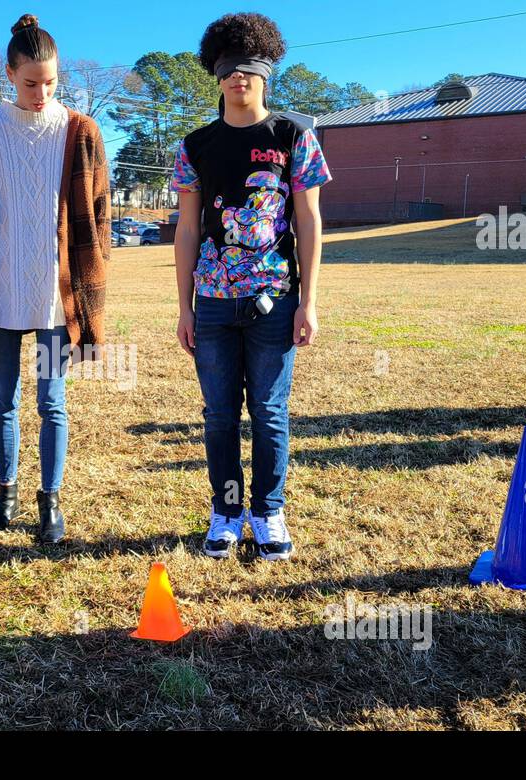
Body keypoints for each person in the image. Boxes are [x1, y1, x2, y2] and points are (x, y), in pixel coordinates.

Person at [169, 12, 332, 560]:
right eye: (229, 70)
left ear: (266, 74)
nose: (239, 78)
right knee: (218, 414)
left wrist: (308, 300)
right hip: (213, 303)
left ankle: (268, 513)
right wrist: (185, 307)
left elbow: (308, 221)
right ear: (216, 76)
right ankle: (226, 510)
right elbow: (188, 227)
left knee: (268, 413)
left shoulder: (294, 136)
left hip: (274, 301)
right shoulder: (195, 146)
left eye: (250, 69)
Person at [0, 13, 111, 544]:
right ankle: (5, 499)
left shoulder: (81, 132)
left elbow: (99, 215)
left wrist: (91, 290)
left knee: (52, 401)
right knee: (3, 400)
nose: (41, 92)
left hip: (52, 297)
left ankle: (50, 504)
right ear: (8, 74)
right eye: (29, 83)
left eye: (50, 82)